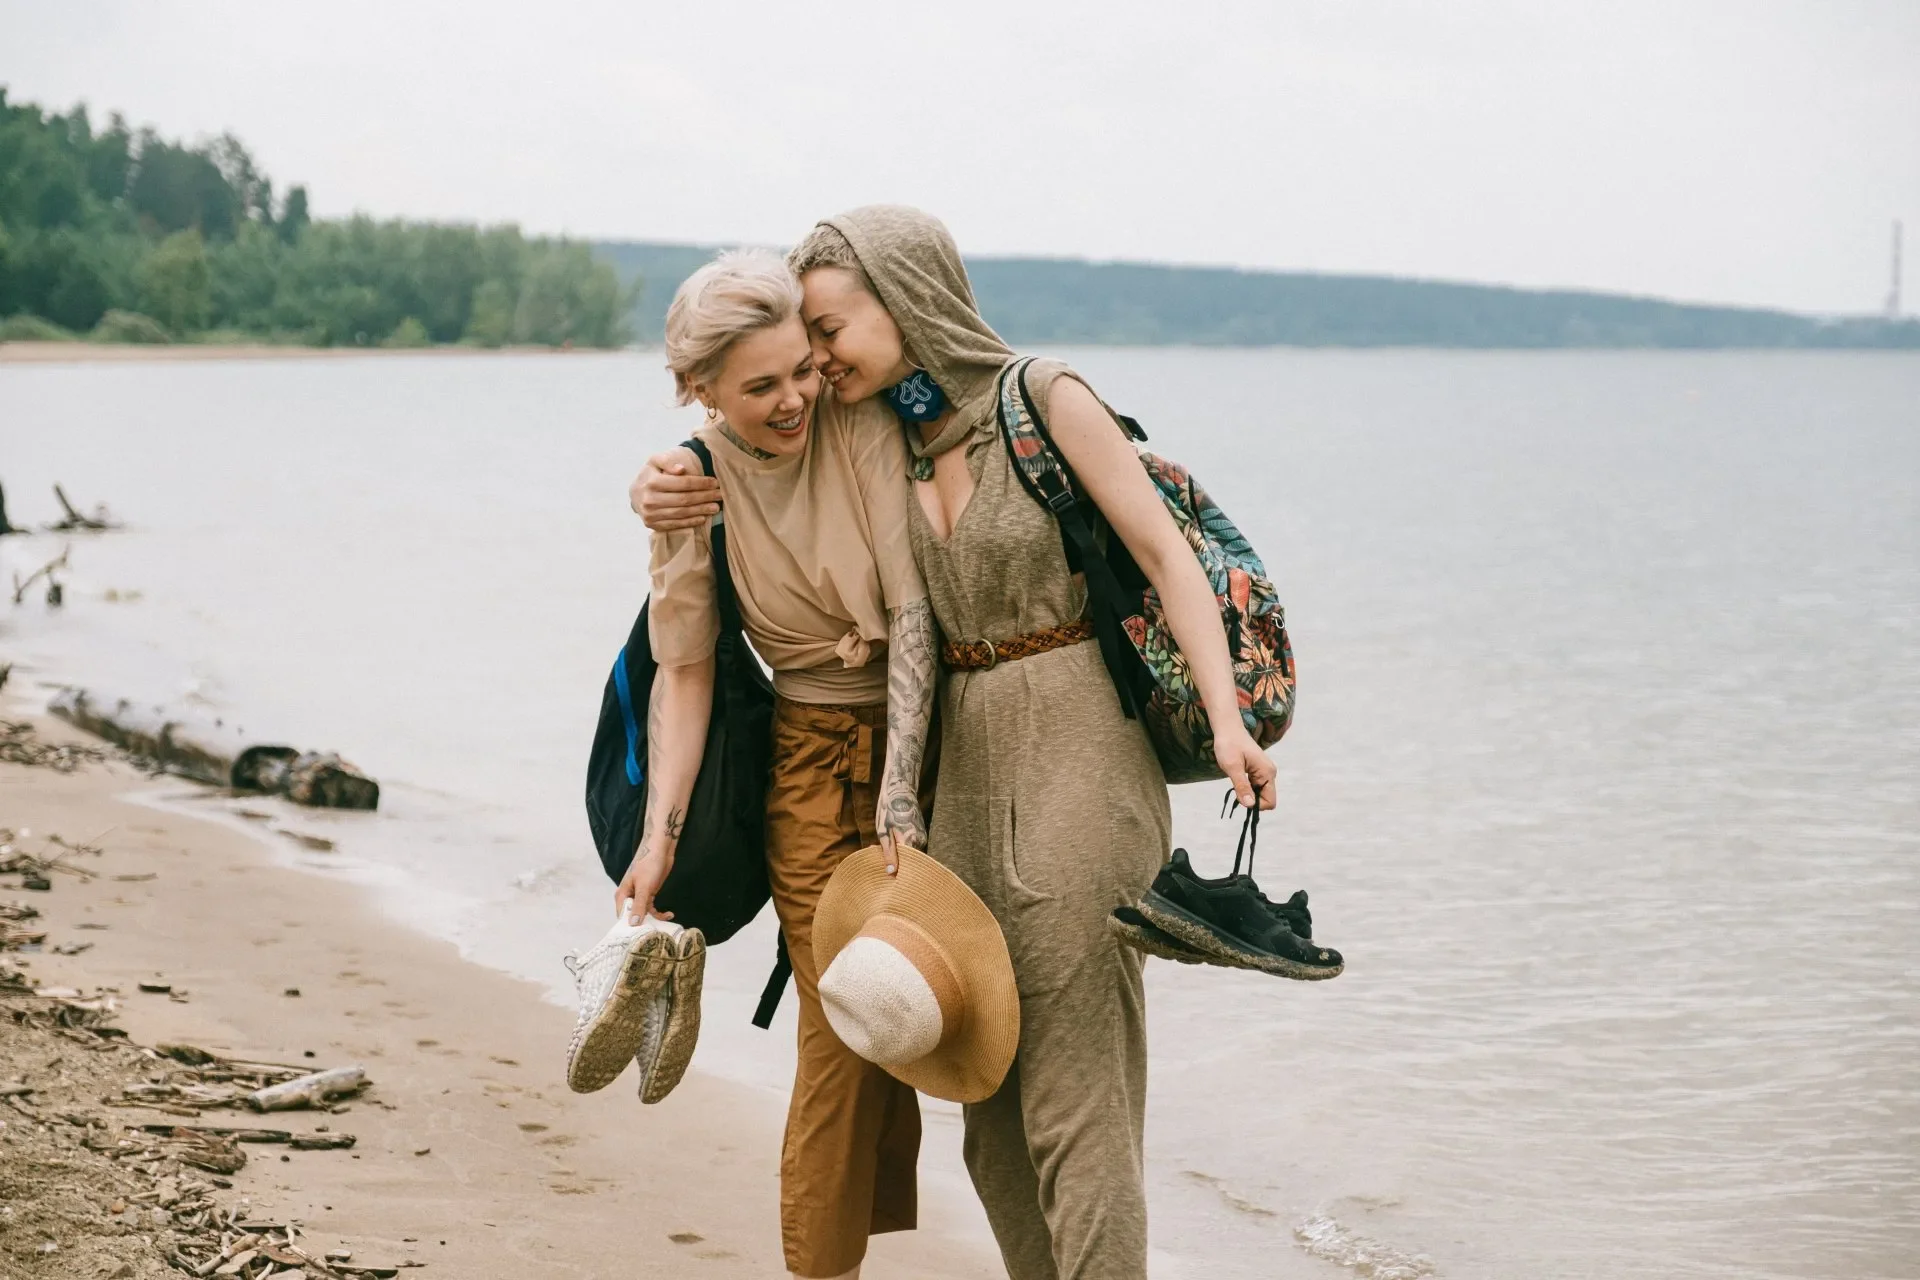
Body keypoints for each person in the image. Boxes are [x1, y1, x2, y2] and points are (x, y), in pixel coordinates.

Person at [634, 207, 1277, 1280]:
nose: (817, 364)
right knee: (987, 1104)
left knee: (1079, 1094)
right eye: (803, 346)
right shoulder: (889, 426)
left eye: (828, 334)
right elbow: (734, 506)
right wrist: (657, 486)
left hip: (1079, 742)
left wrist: (1226, 719)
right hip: (959, 765)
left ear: (906, 300)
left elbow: (1166, 557)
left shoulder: (1043, 396)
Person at [620, 249, 938, 1280]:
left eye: (802, 366)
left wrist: (905, 800)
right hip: (809, 766)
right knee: (842, 1023)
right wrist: (656, 838)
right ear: (697, 389)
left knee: (948, 1016)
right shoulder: (689, 485)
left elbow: (914, 613)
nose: (797, 395)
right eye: (761, 385)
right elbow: (687, 667)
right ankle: (823, 1266)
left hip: (937, 746)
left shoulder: (862, 418)